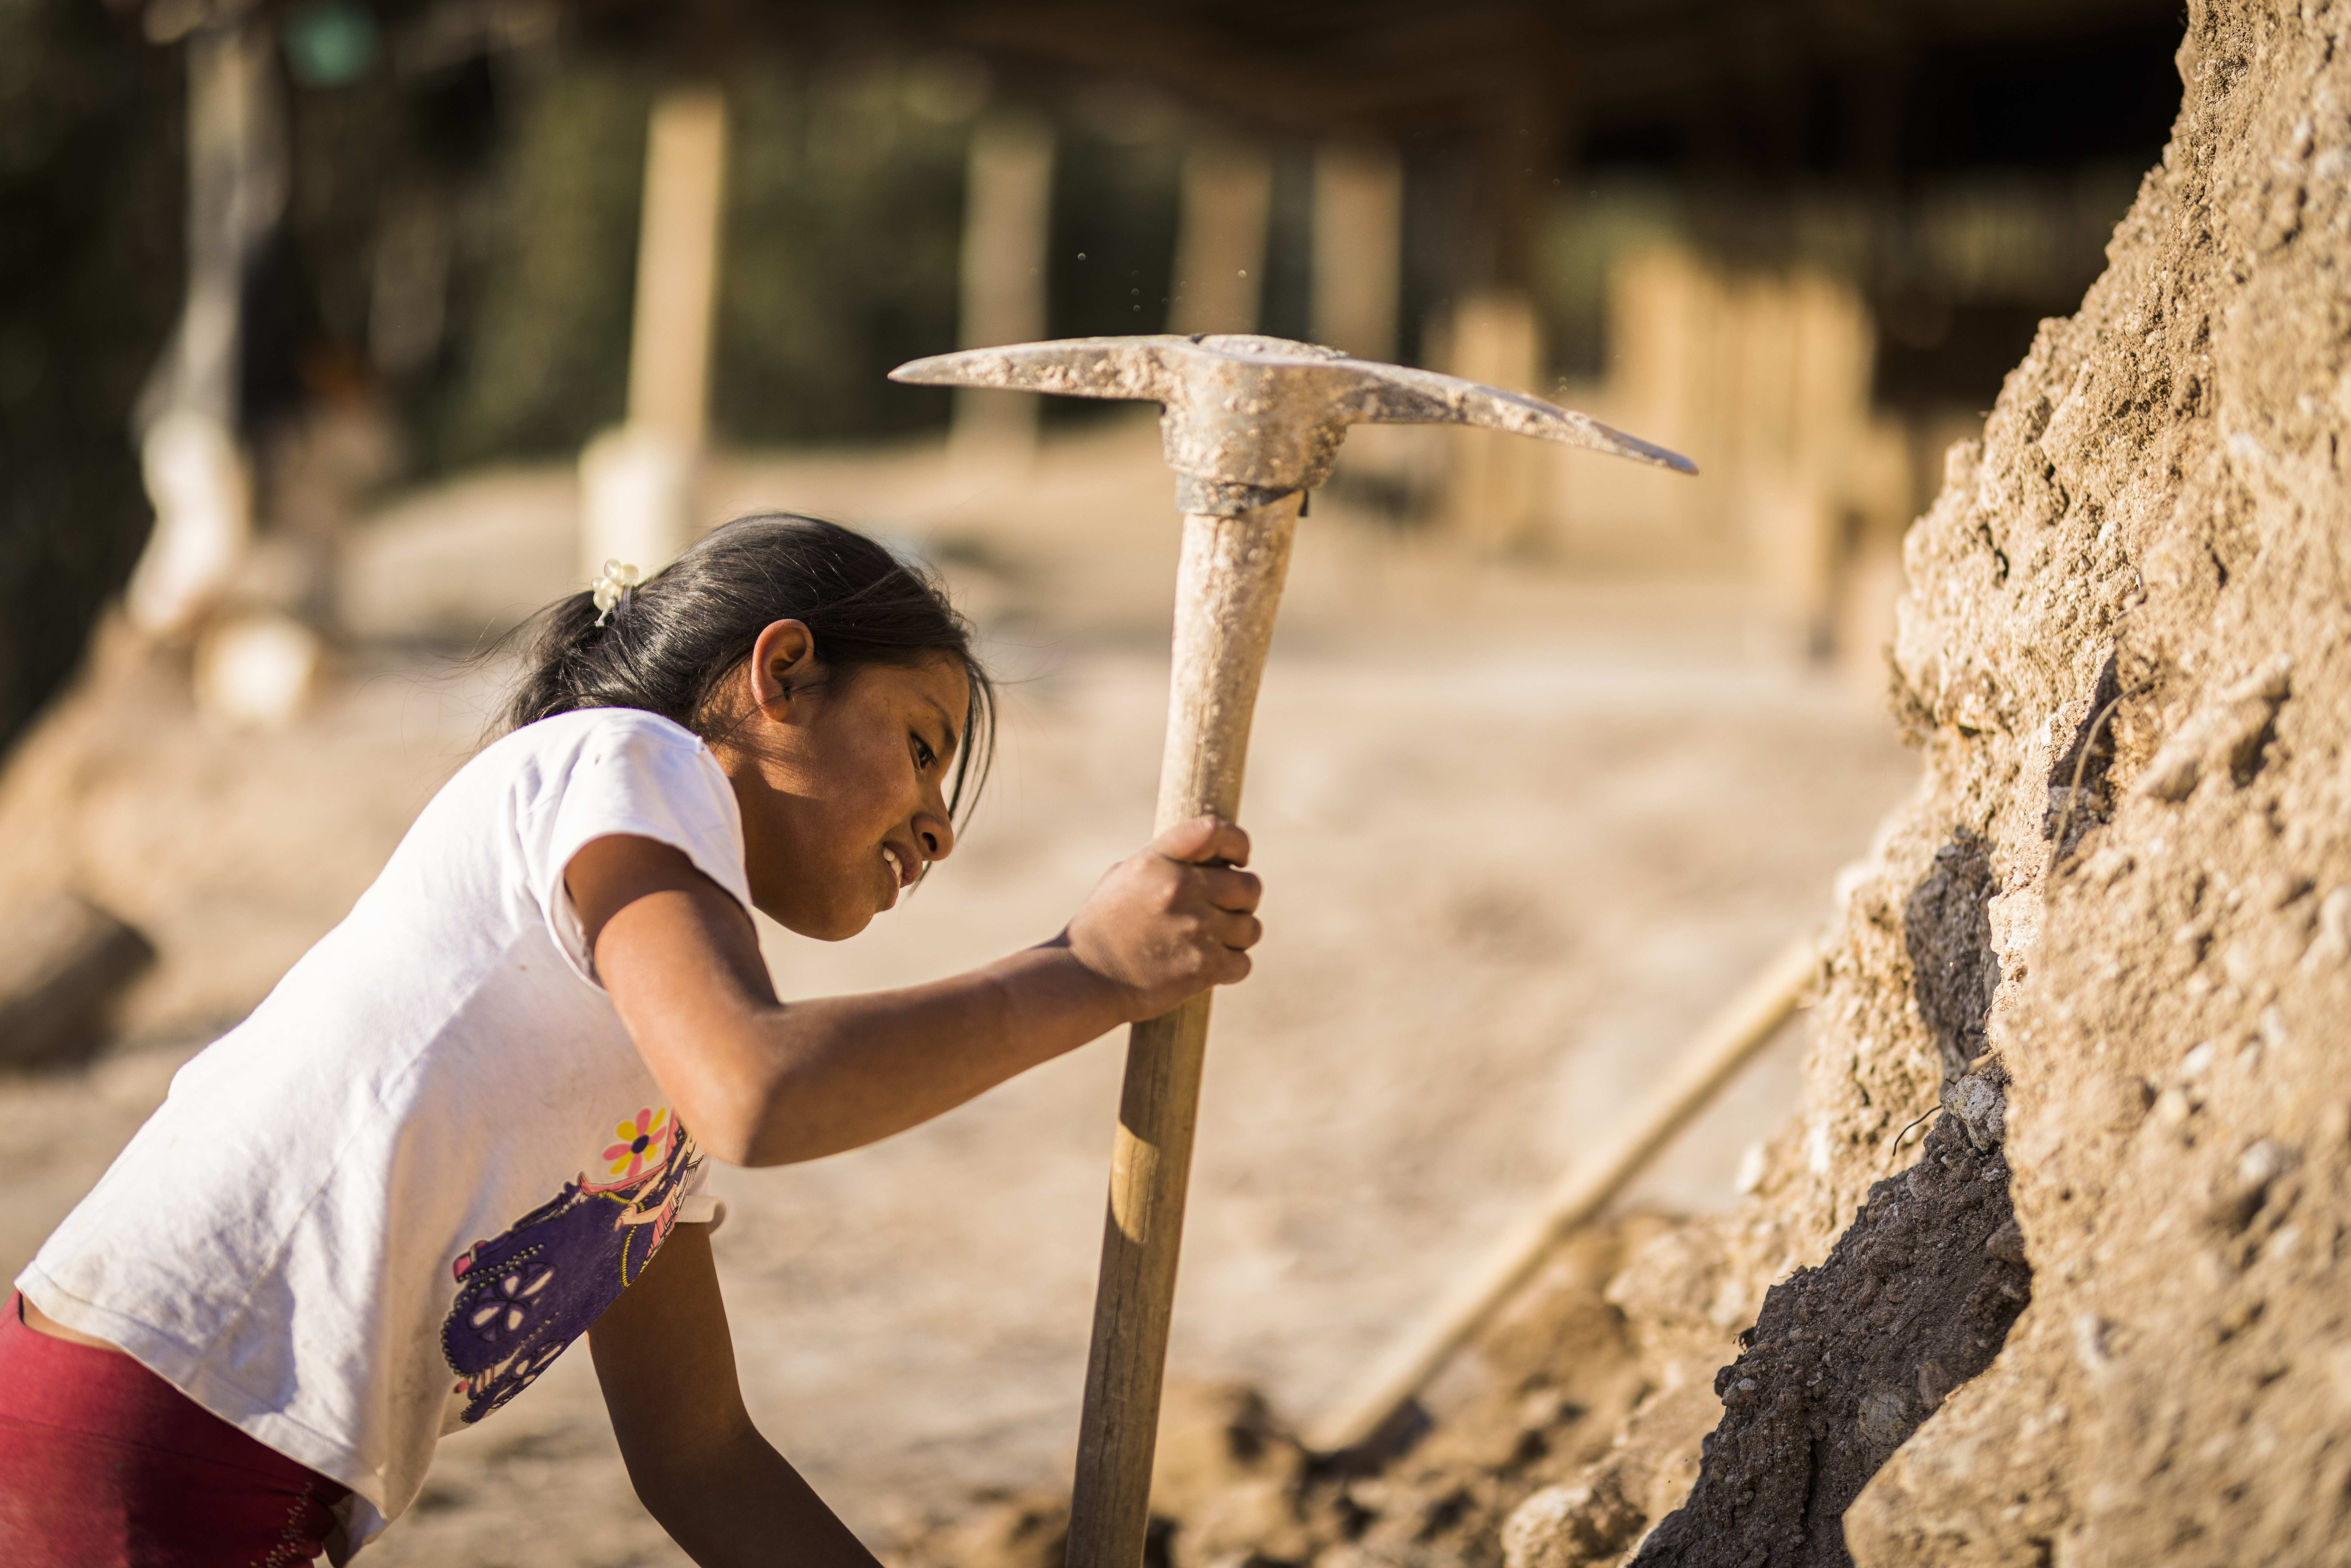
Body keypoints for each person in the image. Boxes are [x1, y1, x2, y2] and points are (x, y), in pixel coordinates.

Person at [1, 514, 1266, 1567]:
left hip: (213, 1469)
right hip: (141, 1436)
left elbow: (700, 1458)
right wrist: (1087, 972)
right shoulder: (630, 760)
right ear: (780, 674)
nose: (939, 828)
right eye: (921, 747)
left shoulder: (651, 1067)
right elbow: (760, 1096)